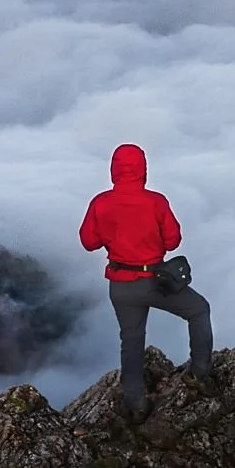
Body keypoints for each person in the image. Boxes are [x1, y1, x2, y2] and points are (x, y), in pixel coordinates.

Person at [79, 143, 211, 416]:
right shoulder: (156, 202)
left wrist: (113, 234)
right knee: (199, 310)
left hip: (121, 285)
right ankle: (198, 373)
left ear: (114, 169)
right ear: (143, 170)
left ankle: (136, 403)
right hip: (155, 282)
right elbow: (173, 241)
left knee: (131, 340)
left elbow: (88, 242)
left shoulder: (100, 203)